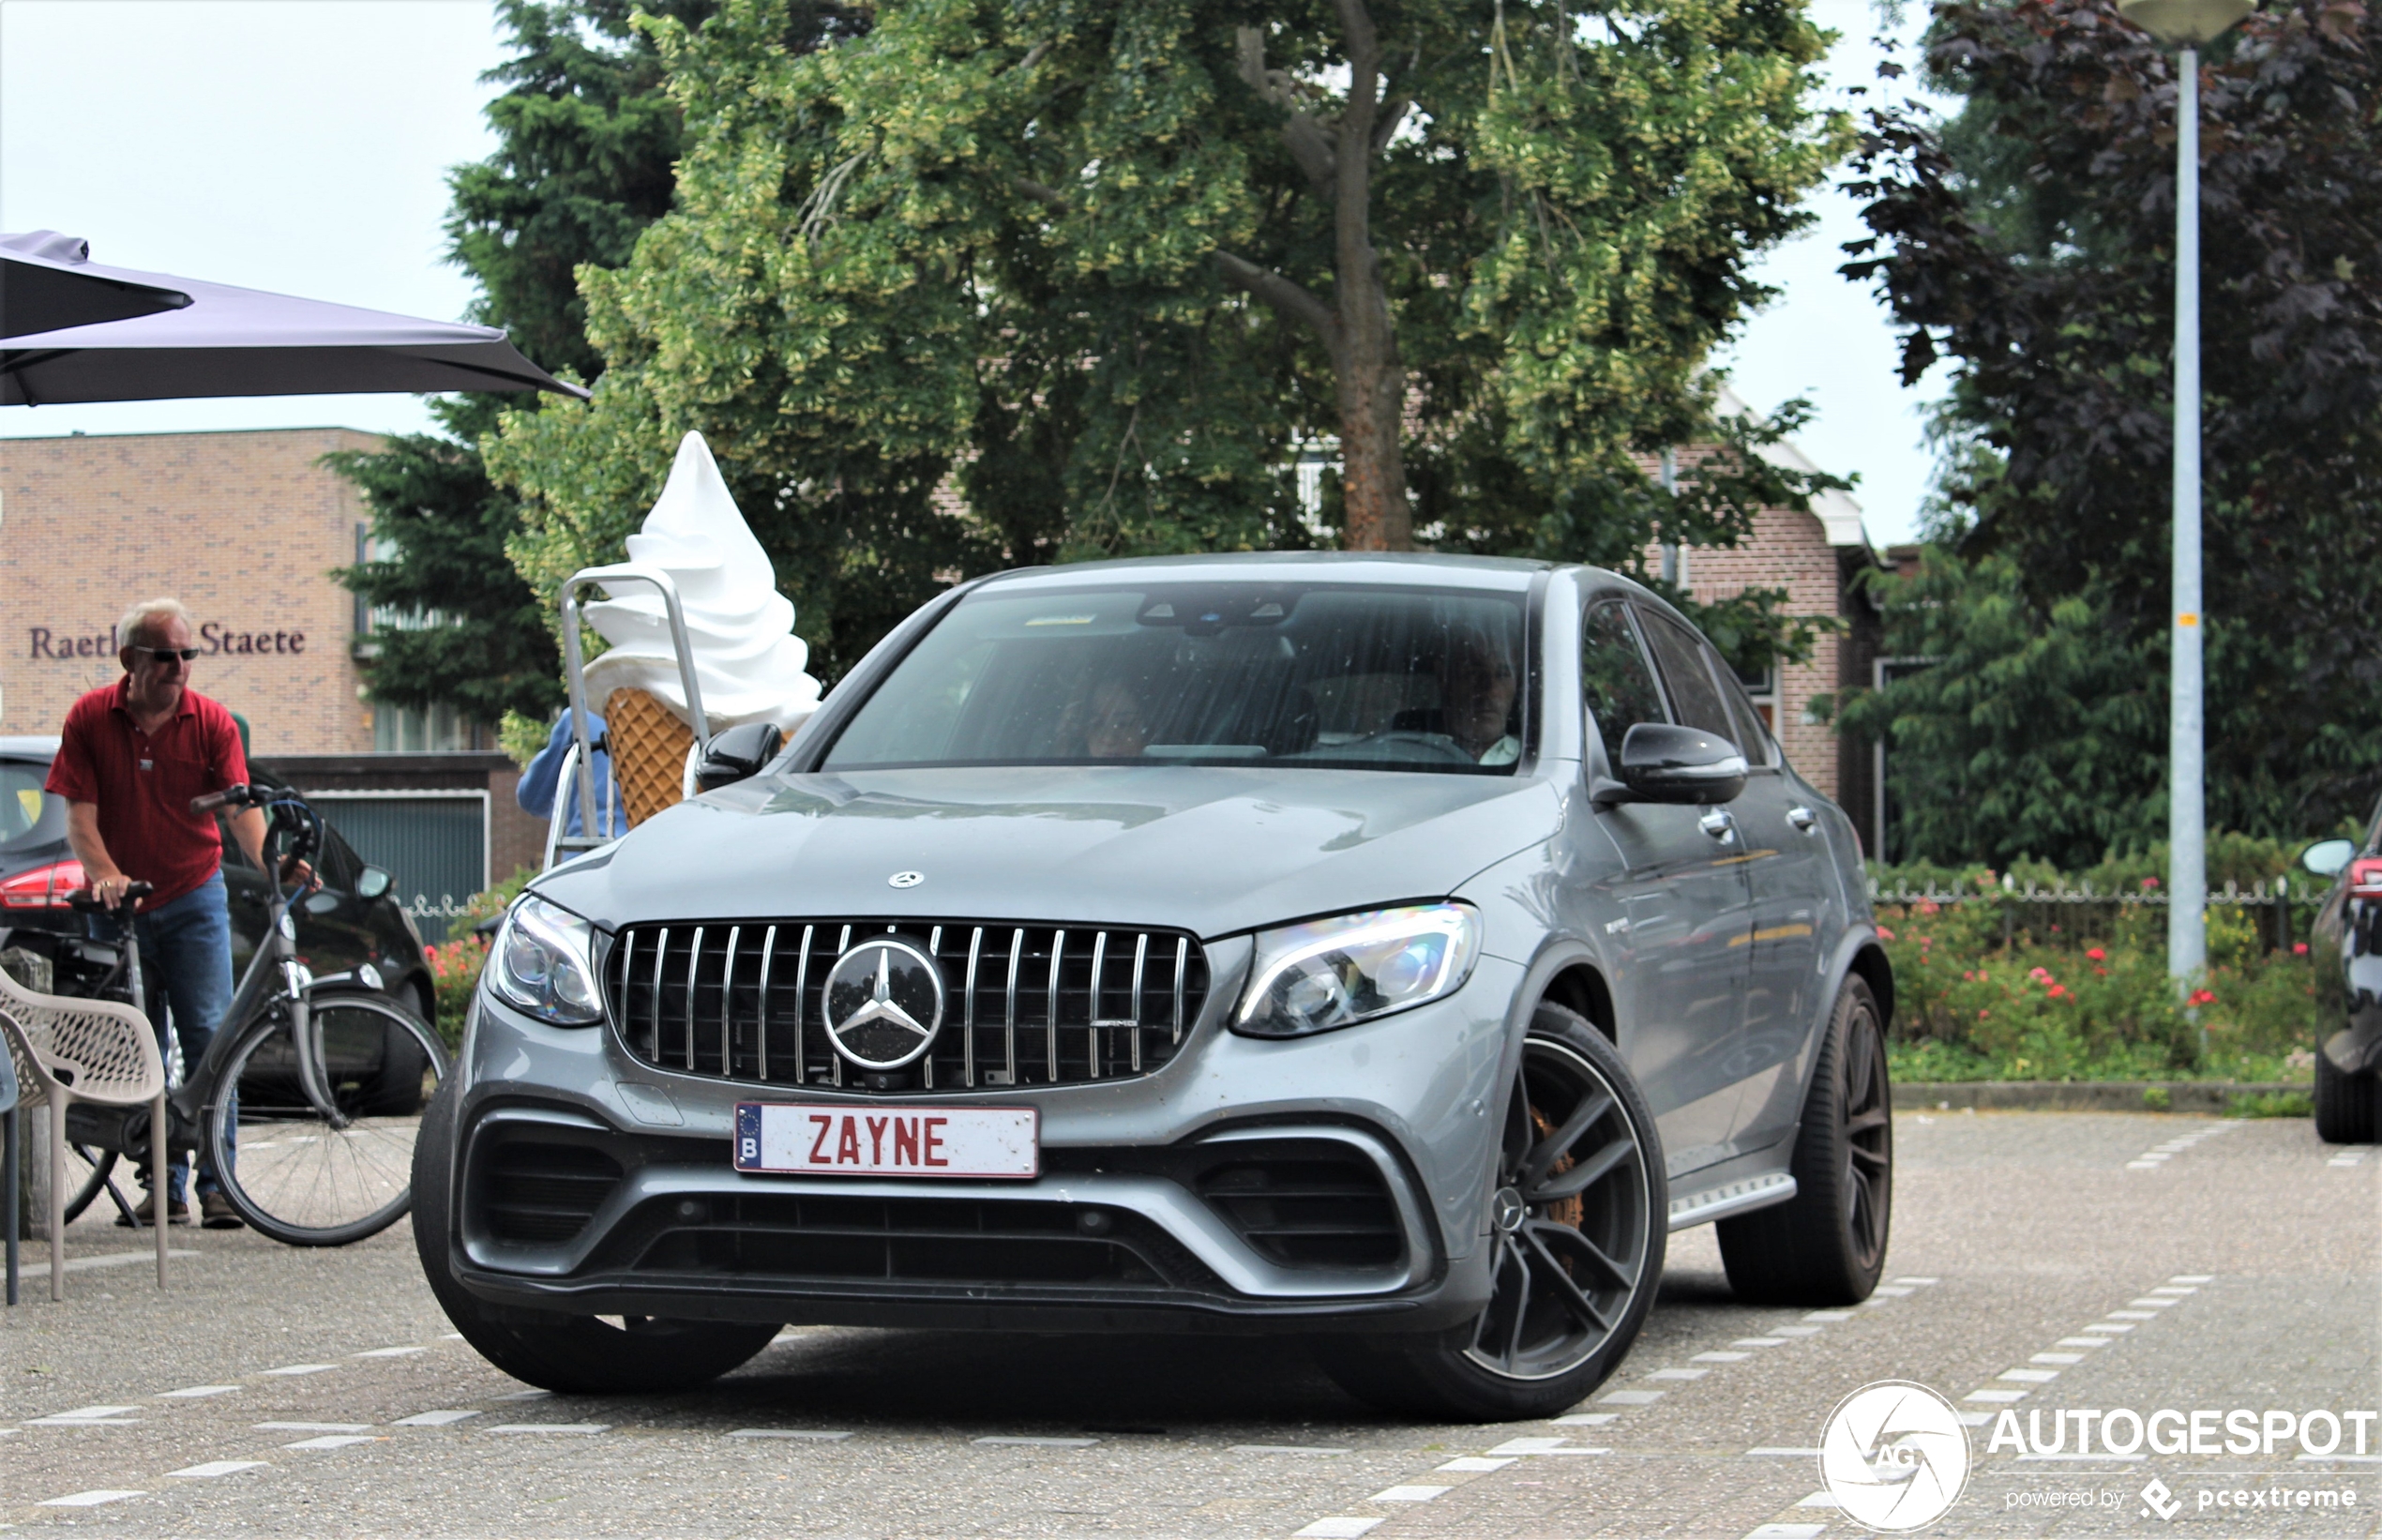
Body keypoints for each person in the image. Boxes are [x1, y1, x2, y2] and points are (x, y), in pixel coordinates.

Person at [44, 597, 312, 1229]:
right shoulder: (89, 718)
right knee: (139, 1045)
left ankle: (220, 1186)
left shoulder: (211, 722)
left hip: (194, 896)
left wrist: (272, 858)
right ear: (129, 659)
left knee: (209, 1038)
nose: (179, 667)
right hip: (123, 905)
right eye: (165, 655)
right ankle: (161, 1186)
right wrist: (105, 875)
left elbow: (240, 809)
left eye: (187, 654)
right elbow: (79, 815)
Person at [516, 707, 626, 839]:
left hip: (588, 846)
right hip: (647, 847)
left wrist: (567, 812)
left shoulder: (580, 716)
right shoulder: (655, 712)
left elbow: (532, 797)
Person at [1437, 623, 1520, 764]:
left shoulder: (1538, 758)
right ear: (1444, 680)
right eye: (1473, 673)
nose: (1491, 689)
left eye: (1503, 674)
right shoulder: (1404, 752)